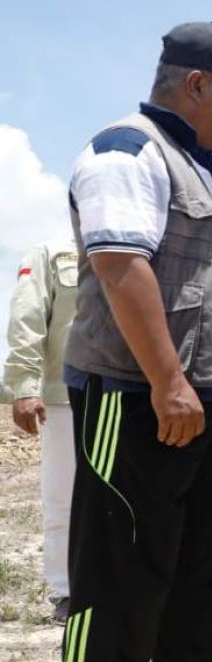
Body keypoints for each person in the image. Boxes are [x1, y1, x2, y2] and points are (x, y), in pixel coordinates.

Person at [60, 21, 212, 662]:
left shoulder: (201, 165)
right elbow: (121, 265)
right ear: (197, 84)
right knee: (123, 548)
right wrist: (166, 378)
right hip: (138, 390)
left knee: (199, 546)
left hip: (207, 392)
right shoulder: (128, 151)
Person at [4, 239, 78, 624]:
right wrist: (24, 386)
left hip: (129, 396)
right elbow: (28, 318)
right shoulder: (52, 253)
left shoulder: (141, 248)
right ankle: (67, 592)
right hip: (64, 395)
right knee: (63, 497)